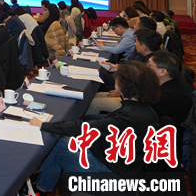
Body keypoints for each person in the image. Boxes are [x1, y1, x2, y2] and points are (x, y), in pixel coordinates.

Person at [29, 61, 161, 193]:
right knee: (59, 143)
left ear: (123, 85)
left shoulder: (129, 116)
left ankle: (41, 189)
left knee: (61, 156)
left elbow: (84, 128)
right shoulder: (143, 107)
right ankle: (41, 180)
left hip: (115, 172)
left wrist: (43, 125)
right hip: (117, 158)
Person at [84, 28, 162, 116]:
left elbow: (143, 87)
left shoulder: (151, 64)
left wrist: (122, 93)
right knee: (96, 96)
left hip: (135, 101)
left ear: (143, 47)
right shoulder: (152, 57)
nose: (134, 44)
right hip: (132, 95)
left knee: (94, 103)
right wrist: (118, 67)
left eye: (136, 42)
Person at [147, 50, 193, 160]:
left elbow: (142, 116)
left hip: (165, 145)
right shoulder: (177, 81)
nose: (146, 67)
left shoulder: (165, 96)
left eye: (149, 65)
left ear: (162, 72)